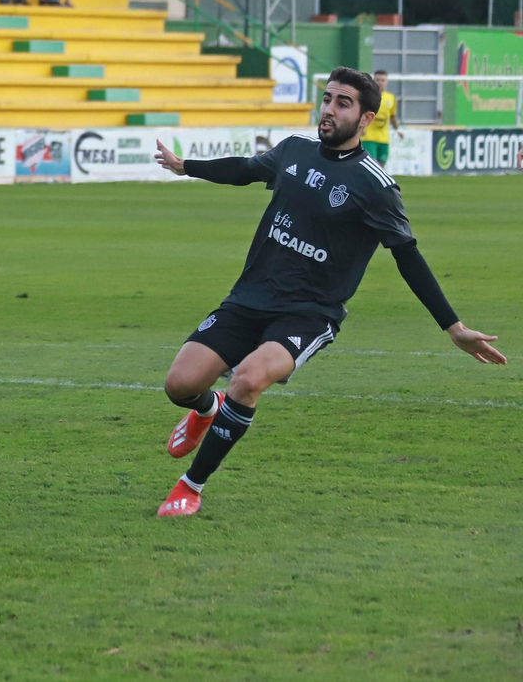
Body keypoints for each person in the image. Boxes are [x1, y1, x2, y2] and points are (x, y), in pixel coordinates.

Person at [150, 67, 506, 518]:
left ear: (365, 118)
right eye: (327, 99)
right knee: (179, 385)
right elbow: (244, 169)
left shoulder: (375, 187)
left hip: (309, 314)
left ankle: (190, 487)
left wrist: (452, 326)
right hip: (249, 298)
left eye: (343, 103)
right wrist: (186, 167)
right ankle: (205, 408)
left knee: (249, 378)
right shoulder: (293, 153)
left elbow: (408, 256)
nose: (329, 110)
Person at [362, 69, 400, 165]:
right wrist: (360, 127)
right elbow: (360, 113)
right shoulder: (367, 96)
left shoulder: (391, 98)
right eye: (377, 80)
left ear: (387, 82)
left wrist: (398, 130)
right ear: (373, 81)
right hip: (368, 137)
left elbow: (392, 116)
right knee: (371, 165)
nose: (380, 83)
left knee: (381, 167)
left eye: (383, 80)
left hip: (384, 138)